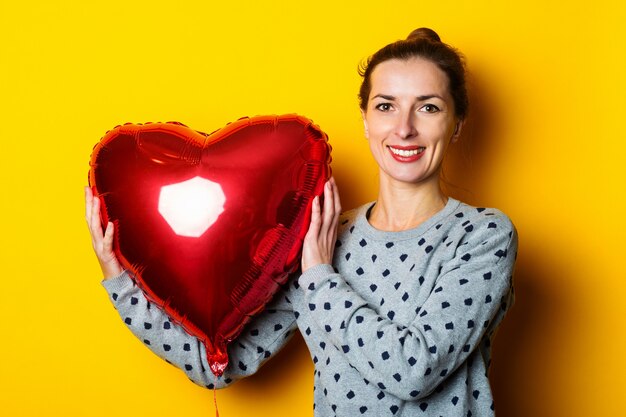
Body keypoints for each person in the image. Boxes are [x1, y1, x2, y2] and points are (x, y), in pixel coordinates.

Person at [86, 27, 517, 416]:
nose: (404, 128)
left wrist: (318, 275)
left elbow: (413, 370)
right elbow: (217, 366)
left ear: (457, 124)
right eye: (386, 106)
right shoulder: (320, 236)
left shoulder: (482, 236)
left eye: (428, 107)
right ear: (366, 120)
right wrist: (120, 280)